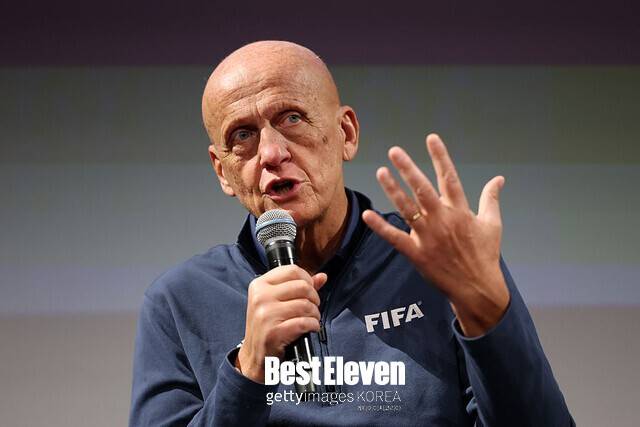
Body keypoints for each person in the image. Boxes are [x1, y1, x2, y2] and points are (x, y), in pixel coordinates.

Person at [129, 40, 574, 426]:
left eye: (292, 118)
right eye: (242, 134)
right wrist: (247, 371)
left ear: (346, 133)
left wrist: (487, 312)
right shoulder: (178, 302)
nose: (271, 152)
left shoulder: (437, 259)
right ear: (222, 171)